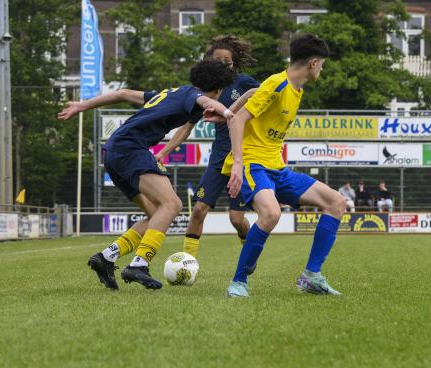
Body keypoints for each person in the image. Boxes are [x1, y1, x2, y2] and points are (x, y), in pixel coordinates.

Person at [58, 60, 235, 290]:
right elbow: (205, 100)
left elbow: (121, 93)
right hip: (131, 148)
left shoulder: (173, 93)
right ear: (218, 89)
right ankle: (139, 265)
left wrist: (83, 105)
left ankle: (107, 257)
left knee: (155, 214)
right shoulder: (193, 95)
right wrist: (228, 113)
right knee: (172, 204)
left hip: (113, 151)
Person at [223, 34, 346, 298]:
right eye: (322, 64)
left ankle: (311, 276)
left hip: (276, 169)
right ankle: (239, 282)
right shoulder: (277, 84)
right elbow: (236, 121)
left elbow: (254, 99)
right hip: (252, 164)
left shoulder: (295, 89)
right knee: (271, 213)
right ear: (313, 63)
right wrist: (237, 165)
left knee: (336, 202)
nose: (322, 69)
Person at [154, 35, 259, 259]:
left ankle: (249, 254)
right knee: (199, 210)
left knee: (236, 219)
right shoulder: (203, 91)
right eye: (218, 62)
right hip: (219, 158)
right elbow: (186, 127)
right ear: (209, 62)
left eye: (227, 63)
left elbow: (267, 101)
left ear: (234, 63)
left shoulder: (246, 84)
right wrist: (164, 151)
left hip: (242, 158)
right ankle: (186, 262)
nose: (223, 66)